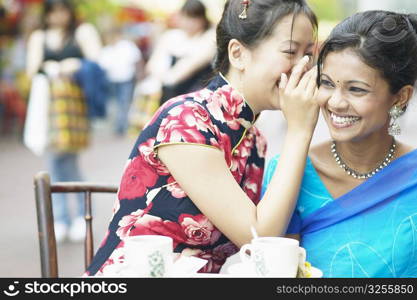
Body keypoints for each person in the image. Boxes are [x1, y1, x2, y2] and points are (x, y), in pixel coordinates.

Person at [85, 0, 320, 276]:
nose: (304, 67)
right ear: (238, 53)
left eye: (309, 54)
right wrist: (300, 130)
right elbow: (259, 236)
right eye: (291, 51)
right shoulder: (188, 119)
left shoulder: (254, 139)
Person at [263, 11, 417, 277]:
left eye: (356, 89)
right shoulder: (291, 173)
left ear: (400, 97)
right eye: (327, 83)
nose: (335, 102)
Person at [25, 0, 102, 243]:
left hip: (73, 107)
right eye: (54, 11)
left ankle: (71, 217)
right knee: (59, 161)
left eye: (62, 10)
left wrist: (76, 65)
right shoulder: (39, 37)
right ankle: (71, 217)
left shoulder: (81, 32)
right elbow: (31, 69)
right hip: (47, 108)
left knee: (64, 160)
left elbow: (97, 61)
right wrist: (47, 67)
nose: (59, 16)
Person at [99, 26, 142, 136]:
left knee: (124, 102)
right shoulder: (106, 50)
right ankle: (117, 125)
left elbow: (137, 61)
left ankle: (121, 126)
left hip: (125, 79)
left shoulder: (127, 46)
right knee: (113, 104)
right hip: (111, 80)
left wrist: (140, 75)